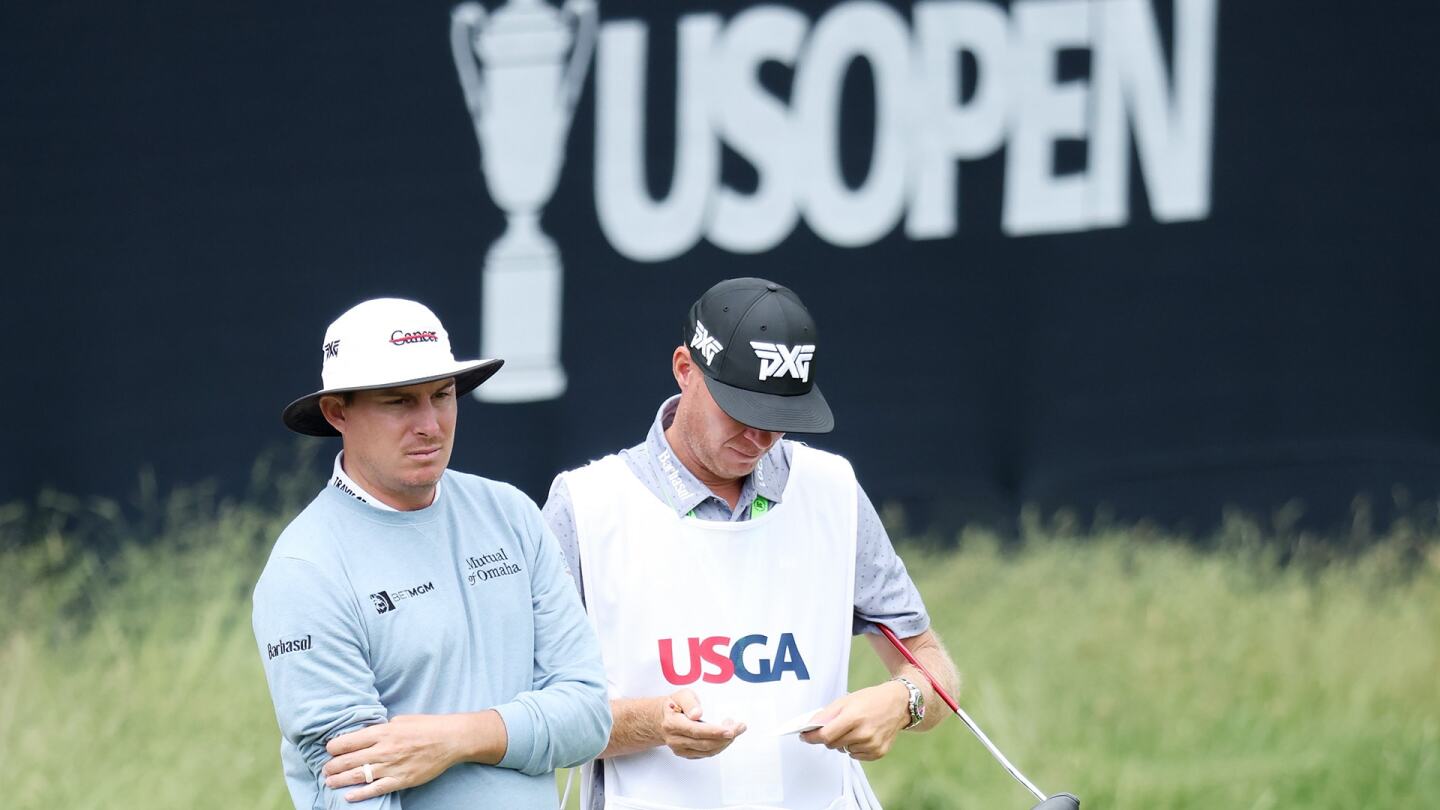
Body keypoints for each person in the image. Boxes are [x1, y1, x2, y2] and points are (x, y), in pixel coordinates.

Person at [544, 278, 962, 810]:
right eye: (740, 412)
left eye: (780, 419)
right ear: (685, 369)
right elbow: (537, 715)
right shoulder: (586, 505)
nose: (760, 439)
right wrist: (652, 724)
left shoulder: (831, 489)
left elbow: (928, 662)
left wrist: (903, 701)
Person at [252, 297, 611, 809]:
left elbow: (589, 716)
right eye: (399, 402)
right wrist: (510, 731)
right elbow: (357, 791)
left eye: (442, 395)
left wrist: (456, 738)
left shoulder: (510, 513)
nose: (430, 424)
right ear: (337, 412)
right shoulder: (306, 569)